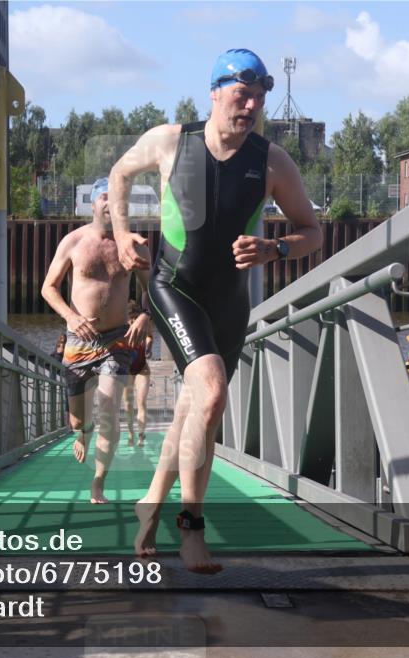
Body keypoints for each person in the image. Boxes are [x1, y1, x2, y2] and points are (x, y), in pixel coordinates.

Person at [109, 48, 322, 573]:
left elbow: (312, 232)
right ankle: (192, 531)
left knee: (192, 411)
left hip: (230, 301)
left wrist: (275, 249)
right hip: (173, 285)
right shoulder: (170, 141)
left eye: (257, 97)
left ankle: (151, 503)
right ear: (215, 93)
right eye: (240, 94)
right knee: (212, 392)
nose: (249, 105)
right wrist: (119, 233)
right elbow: (118, 174)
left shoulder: (272, 161)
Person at [41, 177, 152, 504]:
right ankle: (82, 433)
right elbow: (48, 287)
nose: (112, 203)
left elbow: (152, 289)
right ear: (92, 204)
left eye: (119, 198)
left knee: (107, 410)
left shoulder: (134, 246)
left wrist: (146, 315)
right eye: (106, 196)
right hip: (78, 341)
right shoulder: (73, 242)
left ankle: (98, 484)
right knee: (79, 419)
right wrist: (71, 317)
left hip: (116, 342)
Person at [123, 301, 154, 447]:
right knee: (128, 404)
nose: (134, 322)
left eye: (136, 317)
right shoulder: (121, 326)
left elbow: (149, 336)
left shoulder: (144, 324)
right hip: (126, 369)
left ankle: (141, 436)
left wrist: (148, 346)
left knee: (141, 402)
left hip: (142, 367)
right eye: (131, 318)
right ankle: (130, 433)